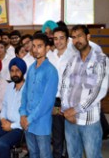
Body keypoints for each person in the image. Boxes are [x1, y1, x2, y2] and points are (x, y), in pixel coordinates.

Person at [60, 25, 109, 158]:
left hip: (89, 121)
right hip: (70, 120)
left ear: (88, 37)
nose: (77, 40)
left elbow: (99, 91)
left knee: (93, 155)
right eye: (74, 37)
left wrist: (75, 110)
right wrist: (65, 109)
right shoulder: (72, 60)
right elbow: (64, 85)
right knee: (73, 155)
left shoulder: (101, 59)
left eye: (80, 36)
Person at [19, 33, 59, 158]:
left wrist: (29, 119)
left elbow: (46, 102)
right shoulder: (31, 68)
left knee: (44, 154)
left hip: (41, 122)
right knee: (33, 153)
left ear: (47, 48)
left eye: (40, 46)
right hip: (27, 120)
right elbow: (25, 92)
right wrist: (23, 114)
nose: (36, 50)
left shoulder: (51, 71)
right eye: (34, 46)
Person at [0, 57, 27, 158]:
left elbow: (28, 116)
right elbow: (4, 106)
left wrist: (11, 126)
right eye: (12, 71)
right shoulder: (10, 86)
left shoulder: (28, 89)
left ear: (23, 71)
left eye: (17, 70)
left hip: (19, 128)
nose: (14, 73)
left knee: (1, 143)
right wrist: (2, 119)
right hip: (5, 122)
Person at [51, 27, 76, 158]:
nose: (58, 41)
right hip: (55, 100)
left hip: (70, 101)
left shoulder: (73, 56)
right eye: (55, 38)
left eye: (61, 38)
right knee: (57, 135)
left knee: (70, 136)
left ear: (67, 39)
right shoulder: (50, 56)